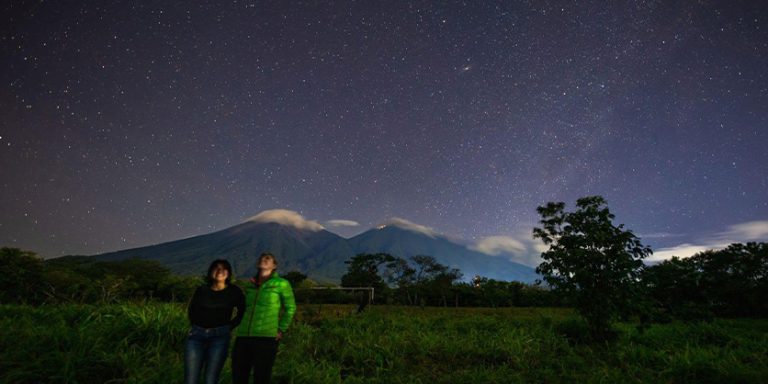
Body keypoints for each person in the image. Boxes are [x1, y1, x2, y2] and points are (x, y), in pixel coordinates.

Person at [232, 252, 297, 384]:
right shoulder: (249, 285)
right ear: (257, 264)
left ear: (274, 266)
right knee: (238, 375)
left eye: (269, 258)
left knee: (261, 376)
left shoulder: (281, 284)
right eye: (262, 258)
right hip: (244, 336)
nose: (265, 258)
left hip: (266, 337)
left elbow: (291, 308)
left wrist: (281, 329)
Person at [185, 259, 245, 384]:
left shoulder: (234, 292)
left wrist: (230, 327)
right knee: (191, 379)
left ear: (228, 273)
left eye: (223, 269)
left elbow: (242, 311)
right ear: (210, 272)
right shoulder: (202, 290)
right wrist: (195, 326)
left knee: (211, 379)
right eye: (216, 268)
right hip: (196, 336)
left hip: (220, 337)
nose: (219, 271)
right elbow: (192, 309)